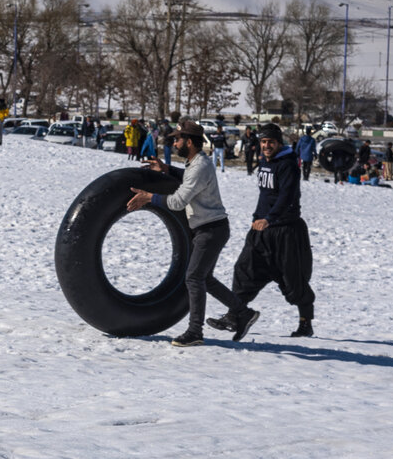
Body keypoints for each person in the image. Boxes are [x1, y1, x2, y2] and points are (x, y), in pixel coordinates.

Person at [126, 120, 256, 347]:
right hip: (209, 227)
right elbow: (190, 179)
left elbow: (177, 201)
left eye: (177, 139)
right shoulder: (196, 163)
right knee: (204, 278)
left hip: (211, 230)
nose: (174, 143)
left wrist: (149, 197)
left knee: (194, 277)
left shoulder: (200, 166)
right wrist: (168, 170)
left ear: (189, 142)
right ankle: (242, 313)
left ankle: (195, 332)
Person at [209, 122, 315, 339]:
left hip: (286, 232)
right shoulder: (265, 163)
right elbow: (265, 196)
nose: (266, 146)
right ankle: (235, 314)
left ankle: (305, 323)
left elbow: (287, 197)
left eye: (271, 142)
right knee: (244, 269)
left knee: (293, 281)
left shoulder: (288, 165)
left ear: (279, 143)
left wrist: (270, 218)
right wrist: (258, 217)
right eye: (263, 142)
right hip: (262, 230)